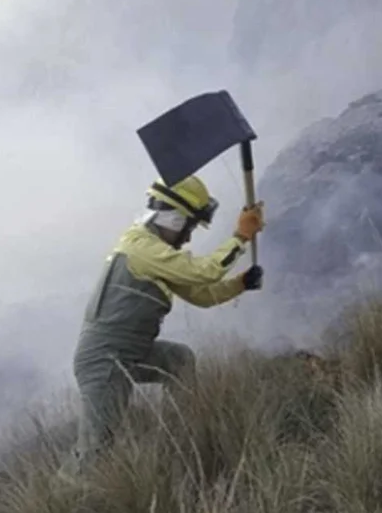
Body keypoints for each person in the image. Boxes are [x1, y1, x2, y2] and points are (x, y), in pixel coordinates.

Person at [69, 174, 264, 469]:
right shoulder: (141, 247)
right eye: (189, 227)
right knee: (96, 450)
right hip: (106, 358)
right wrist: (241, 237)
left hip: (129, 352)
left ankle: (183, 438)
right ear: (175, 219)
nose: (187, 237)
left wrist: (240, 284)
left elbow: (201, 294)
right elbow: (204, 272)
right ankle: (68, 501)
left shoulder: (152, 252)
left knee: (179, 361)